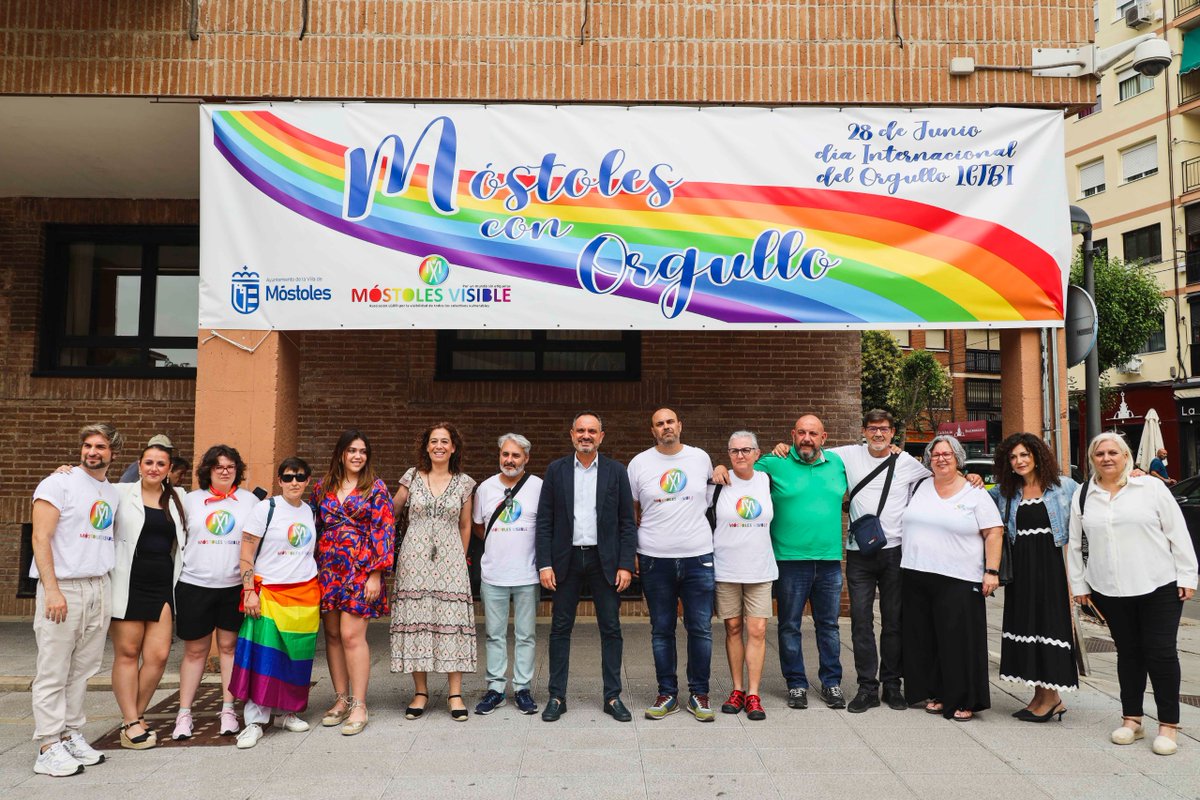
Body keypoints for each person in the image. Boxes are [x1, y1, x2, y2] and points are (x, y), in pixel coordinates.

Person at [1069, 432, 1198, 755]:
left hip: (1159, 583)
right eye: (1100, 454)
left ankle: (1168, 725)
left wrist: (1188, 575)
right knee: (1128, 653)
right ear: (1092, 460)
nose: (1107, 458)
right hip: (1109, 588)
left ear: (1127, 457)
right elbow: (1074, 544)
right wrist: (1080, 585)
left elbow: (1177, 532)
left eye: (1114, 452)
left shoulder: (1151, 488)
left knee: (1161, 652)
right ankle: (1132, 720)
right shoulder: (1084, 494)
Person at [29, 424, 123, 777]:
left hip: (99, 585)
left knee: (83, 669)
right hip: (64, 587)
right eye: (87, 445)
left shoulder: (110, 492)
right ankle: (48, 744)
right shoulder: (58, 483)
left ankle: (69, 733)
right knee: (53, 668)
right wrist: (51, 589)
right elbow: (41, 536)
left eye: (100, 446)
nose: (92, 451)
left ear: (113, 452)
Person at [536, 412, 637, 723]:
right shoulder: (556, 471)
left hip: (603, 560)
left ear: (601, 436)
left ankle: (612, 696)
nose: (586, 435)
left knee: (611, 629)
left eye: (592, 431)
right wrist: (545, 563)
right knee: (559, 629)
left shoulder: (616, 471)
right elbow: (545, 522)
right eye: (580, 430)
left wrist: (625, 564)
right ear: (571, 434)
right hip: (565, 560)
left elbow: (626, 522)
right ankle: (556, 696)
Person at [831, 410, 930, 713]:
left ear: (892, 433)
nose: (877, 434)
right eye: (872, 429)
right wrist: (784, 448)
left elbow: (941, 476)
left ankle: (893, 685)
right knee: (861, 620)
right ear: (863, 431)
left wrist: (973, 476)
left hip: (894, 552)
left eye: (883, 429)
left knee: (893, 621)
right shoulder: (848, 454)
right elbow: (810, 453)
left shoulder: (907, 462)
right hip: (860, 553)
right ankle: (866, 688)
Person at [901, 435, 1003, 722]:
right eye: (935, 454)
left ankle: (965, 698)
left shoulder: (974, 492)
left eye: (947, 454)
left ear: (958, 458)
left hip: (959, 576)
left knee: (960, 641)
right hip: (917, 571)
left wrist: (991, 571)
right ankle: (936, 693)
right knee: (927, 637)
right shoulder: (919, 485)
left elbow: (994, 531)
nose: (941, 459)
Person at [626, 408, 716, 722]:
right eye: (659, 424)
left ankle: (699, 694)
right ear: (652, 430)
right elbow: (631, 512)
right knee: (661, 630)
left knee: (700, 629)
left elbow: (711, 493)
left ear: (680, 425)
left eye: (670, 422)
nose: (666, 427)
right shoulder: (639, 464)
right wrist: (632, 552)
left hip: (698, 556)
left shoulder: (700, 458)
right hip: (654, 558)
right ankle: (667, 694)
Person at [753, 414, 848, 710]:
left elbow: (875, 455)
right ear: (793, 434)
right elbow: (740, 472)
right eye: (802, 433)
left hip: (830, 561)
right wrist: (718, 468)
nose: (807, 438)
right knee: (789, 626)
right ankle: (796, 684)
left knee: (829, 626)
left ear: (824, 437)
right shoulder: (773, 462)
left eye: (813, 433)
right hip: (789, 561)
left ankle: (831, 683)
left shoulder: (838, 463)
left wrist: (895, 449)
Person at [989, 432, 1080, 722]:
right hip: (1022, 572)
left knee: (1049, 627)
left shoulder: (1063, 487)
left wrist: (1137, 478)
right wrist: (974, 481)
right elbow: (975, 501)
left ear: (1037, 456)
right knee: (1029, 626)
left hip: (1051, 570)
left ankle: (1052, 698)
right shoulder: (1005, 492)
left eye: (1024, 455)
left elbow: (1093, 500)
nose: (1019, 461)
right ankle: (1040, 695)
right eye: (1013, 457)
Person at [231, 457, 319, 749]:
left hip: (305, 595)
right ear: (279, 480)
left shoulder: (310, 512)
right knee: (264, 658)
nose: (295, 482)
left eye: (300, 476)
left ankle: (287, 712)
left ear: (307, 481)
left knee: (296, 658)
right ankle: (255, 721)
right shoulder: (265, 509)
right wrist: (248, 590)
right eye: (289, 476)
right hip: (269, 592)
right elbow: (246, 553)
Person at [309, 429, 393, 735]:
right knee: (331, 634)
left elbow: (384, 530)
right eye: (352, 450)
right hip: (328, 570)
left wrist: (376, 574)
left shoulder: (376, 487)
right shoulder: (321, 488)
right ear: (341, 454)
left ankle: (359, 704)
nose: (357, 456)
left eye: (362, 451)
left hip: (360, 570)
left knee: (351, 635)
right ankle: (340, 700)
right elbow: (313, 528)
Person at [390, 423, 476, 721]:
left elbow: (465, 525)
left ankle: (454, 694)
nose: (439, 446)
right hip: (414, 561)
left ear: (454, 447)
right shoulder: (411, 477)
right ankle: (421, 691)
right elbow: (391, 513)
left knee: (451, 622)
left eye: (445, 441)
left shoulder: (465, 483)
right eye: (433, 441)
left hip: (451, 562)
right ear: (426, 446)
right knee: (418, 621)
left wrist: (459, 557)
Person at [174, 445, 260, 740]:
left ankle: (228, 709)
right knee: (195, 651)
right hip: (194, 584)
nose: (224, 471)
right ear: (207, 470)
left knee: (228, 649)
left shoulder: (249, 501)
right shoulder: (189, 500)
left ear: (237, 470)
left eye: (230, 466)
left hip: (233, 587)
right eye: (218, 466)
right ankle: (184, 713)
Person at [109, 442, 187, 749]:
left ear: (170, 470)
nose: (154, 468)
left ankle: (135, 716)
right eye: (149, 462)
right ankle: (131, 721)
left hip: (162, 585)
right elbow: (85, 488)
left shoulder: (179, 498)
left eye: (161, 464)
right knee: (128, 653)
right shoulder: (117, 493)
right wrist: (66, 472)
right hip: (128, 582)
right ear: (139, 466)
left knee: (158, 656)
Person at [471, 433, 542, 716]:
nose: (509, 460)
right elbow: (479, 527)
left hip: (528, 574)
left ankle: (523, 688)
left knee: (526, 635)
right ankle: (496, 689)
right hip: (493, 574)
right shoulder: (485, 488)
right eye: (505, 454)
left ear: (526, 458)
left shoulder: (538, 486)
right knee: (494, 635)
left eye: (515, 455)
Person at [712, 431, 775, 721]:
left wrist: (784, 446)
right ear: (728, 454)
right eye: (735, 450)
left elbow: (791, 455)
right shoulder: (717, 482)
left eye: (746, 450)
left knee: (758, 630)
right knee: (734, 628)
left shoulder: (766, 479)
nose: (740, 455)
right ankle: (737, 689)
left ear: (757, 453)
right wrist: (716, 470)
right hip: (726, 568)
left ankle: (753, 694)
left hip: (760, 568)